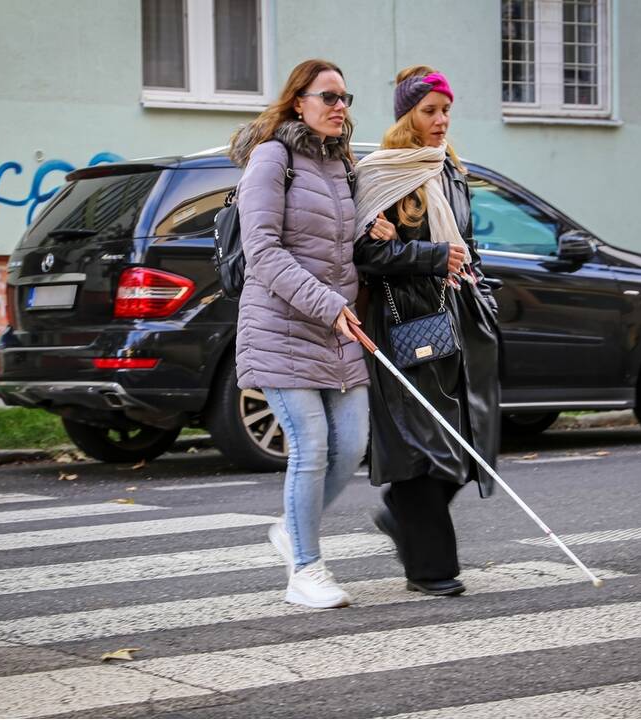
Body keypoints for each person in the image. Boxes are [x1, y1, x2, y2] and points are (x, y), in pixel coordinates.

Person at [353, 66, 500, 596]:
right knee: (422, 444)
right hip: (402, 321)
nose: (441, 122)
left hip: (455, 314)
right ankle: (432, 569)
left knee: (465, 444)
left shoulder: (449, 168)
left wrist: (474, 275)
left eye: (446, 111)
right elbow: (367, 254)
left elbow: (465, 242)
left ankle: (400, 516)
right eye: (429, 111)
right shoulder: (385, 172)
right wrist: (435, 255)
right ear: (406, 116)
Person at [229, 59, 369, 609]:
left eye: (345, 97)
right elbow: (263, 251)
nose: (340, 107)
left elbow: (338, 246)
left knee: (352, 444)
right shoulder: (272, 158)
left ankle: (291, 529)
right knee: (310, 447)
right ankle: (305, 570)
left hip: (337, 328)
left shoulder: (341, 166)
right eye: (328, 97)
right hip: (282, 326)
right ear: (298, 103)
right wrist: (327, 304)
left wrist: (371, 229)